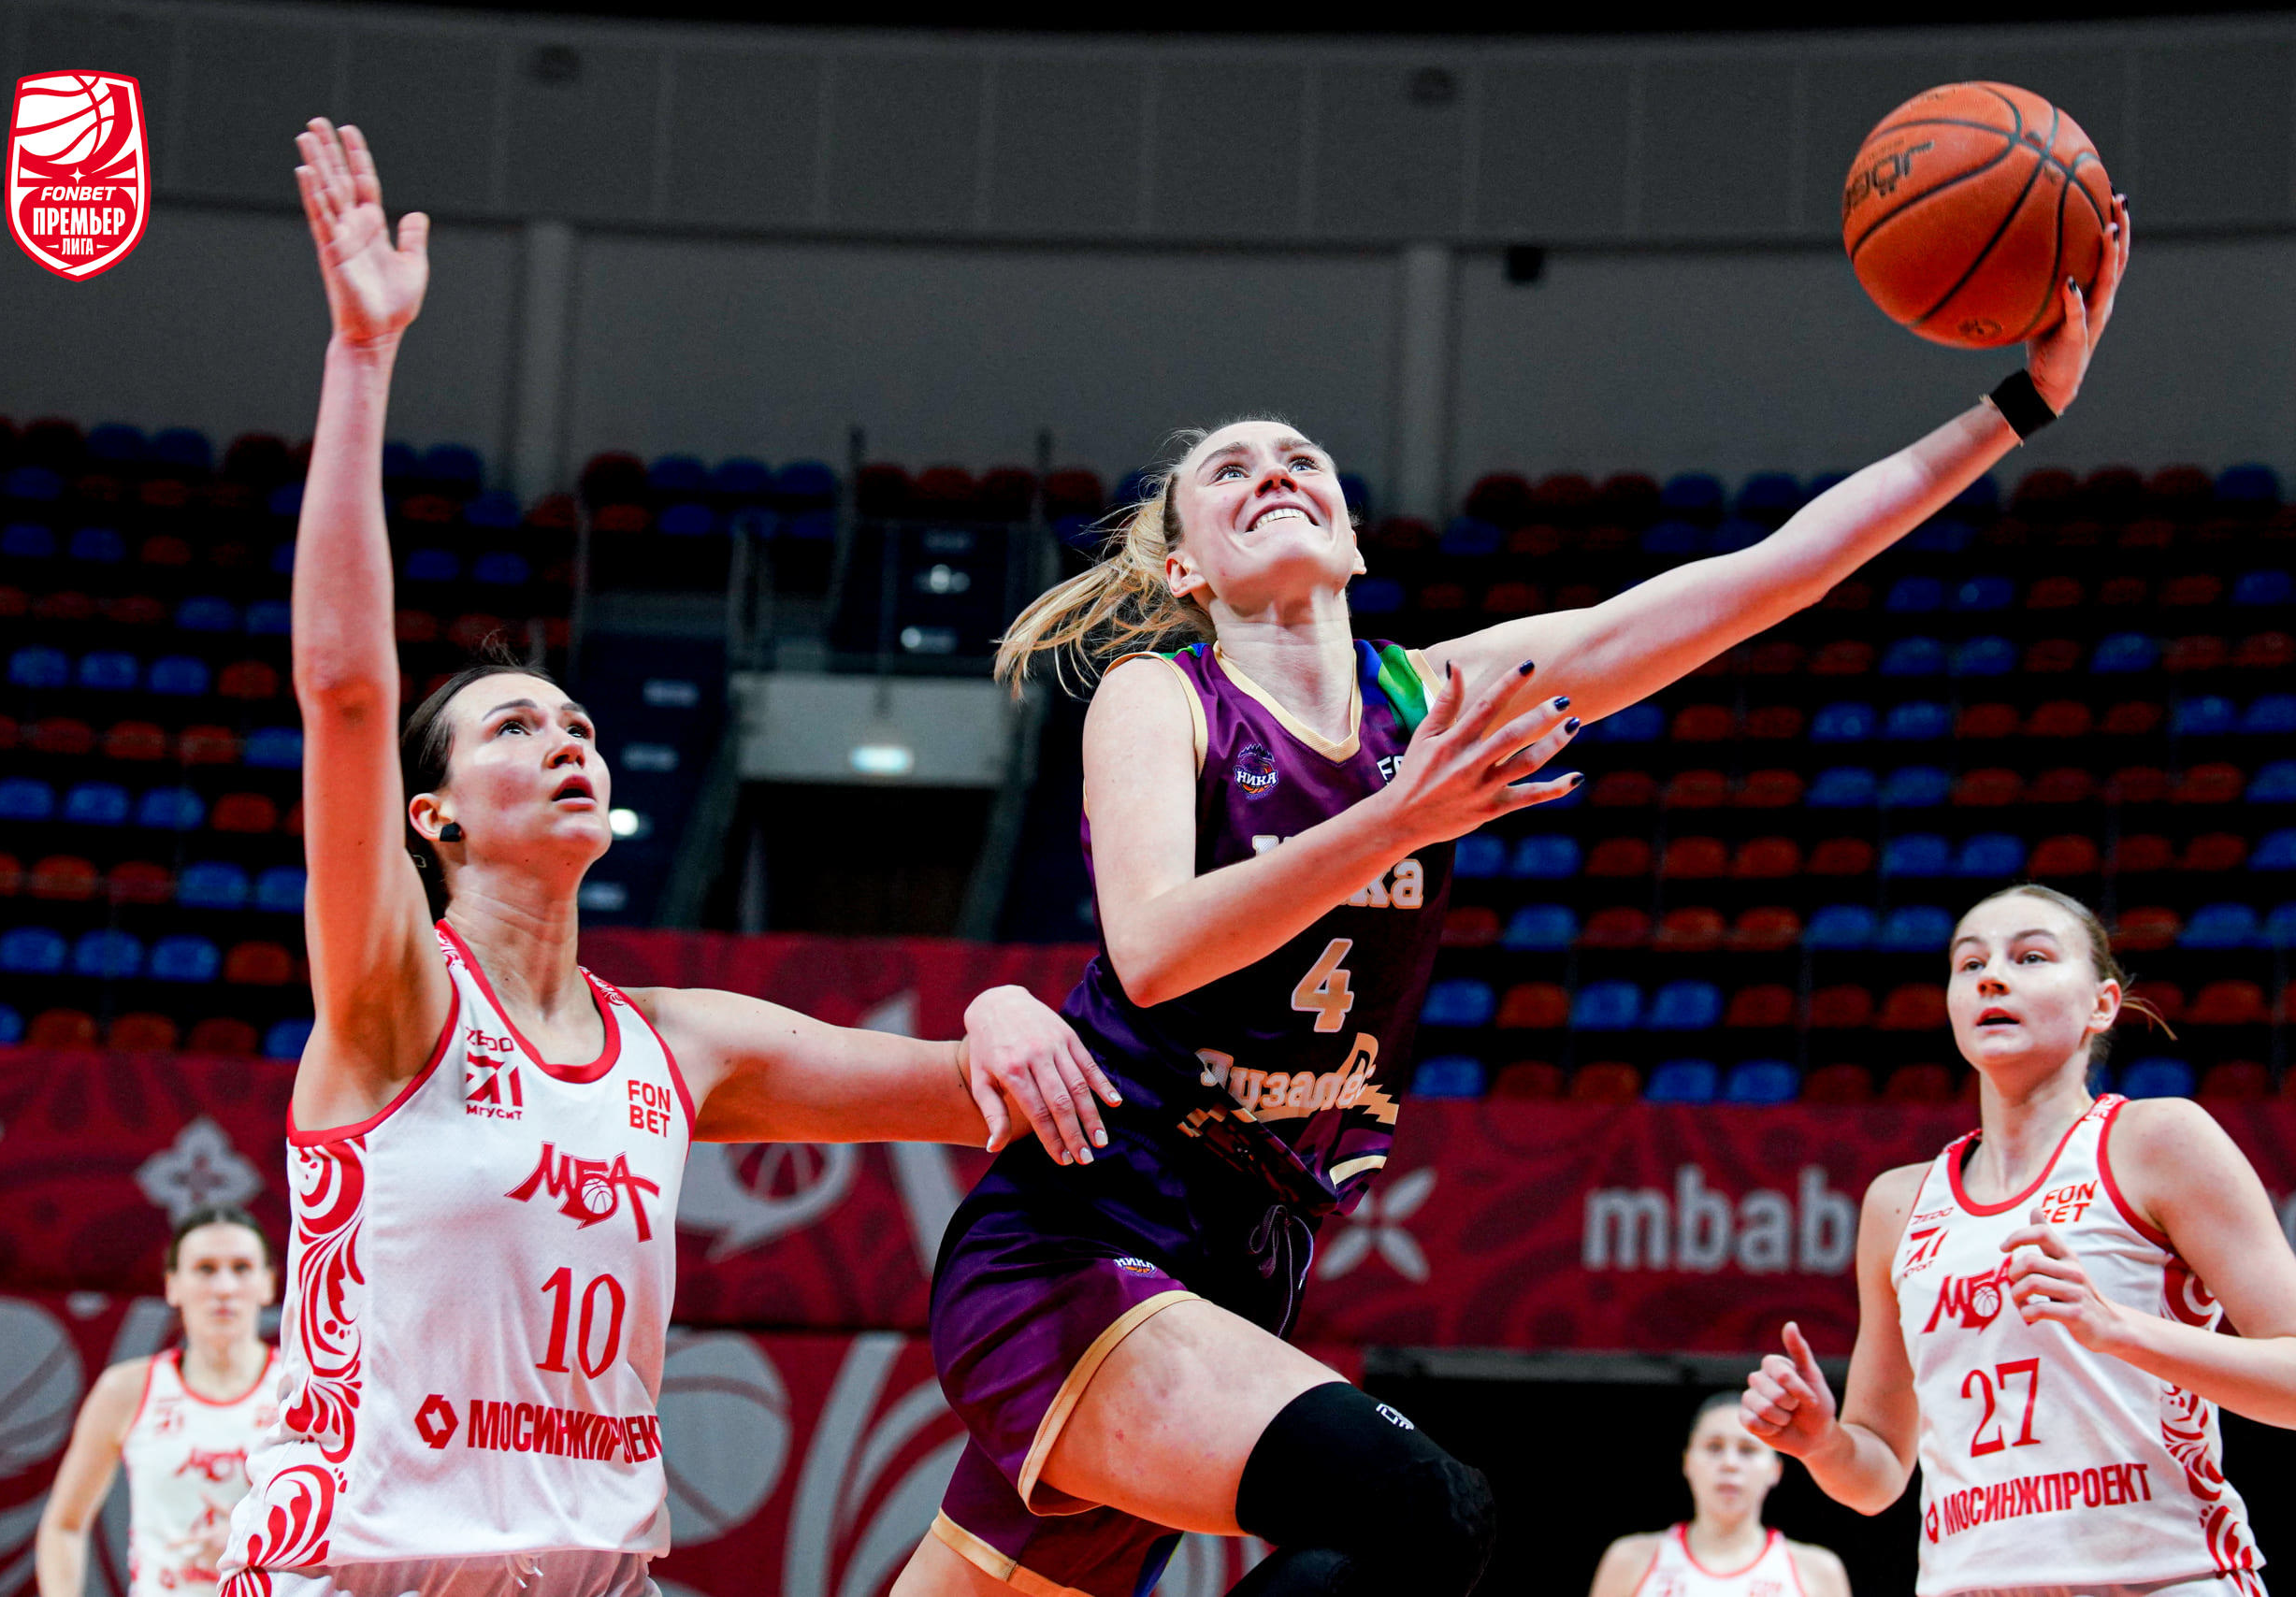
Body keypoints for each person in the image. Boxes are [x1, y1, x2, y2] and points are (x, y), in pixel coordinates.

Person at [895, 209, 2130, 1595]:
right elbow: (1156, 951)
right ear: (1185, 569)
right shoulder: (1160, 695)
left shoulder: (1432, 697)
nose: (1272, 471)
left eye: (1300, 459)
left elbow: (1762, 581)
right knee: (1426, 1516)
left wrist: (2016, 408)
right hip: (1087, 1235)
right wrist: (1396, 821)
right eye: (1227, 470)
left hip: (1246, 1260)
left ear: (1351, 539)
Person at [217, 120, 1112, 1597]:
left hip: (599, 1571)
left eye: (578, 723)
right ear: (434, 817)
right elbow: (348, 693)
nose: (568, 740)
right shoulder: (395, 1000)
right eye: (515, 728)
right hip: (364, 1566)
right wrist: (363, 360)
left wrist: (1008, 1012)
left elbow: (982, 1090)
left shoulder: (676, 1045)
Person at [1743, 884, 2289, 1597]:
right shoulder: (1898, 1203)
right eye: (1970, 964)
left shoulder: (2158, 1140)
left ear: (2102, 1005)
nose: (1992, 977)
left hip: (2164, 1578)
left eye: (2031, 957)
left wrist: (2120, 1330)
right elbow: (1877, 1476)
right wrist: (1823, 1444)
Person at [36, 1206, 281, 1596]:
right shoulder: (126, 1390)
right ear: (172, 1285)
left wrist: (257, 1540)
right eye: (205, 1268)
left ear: (268, 1283)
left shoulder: (300, 1391)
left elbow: (350, 1525)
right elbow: (64, 1525)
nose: (224, 1287)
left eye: (241, 1267)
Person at [1587, 1391, 1849, 1597]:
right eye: (1714, 1447)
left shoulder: (1817, 1571)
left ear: (1775, 1470)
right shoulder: (1630, 1560)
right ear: (1688, 1462)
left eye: (1747, 1450)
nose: (1729, 1464)